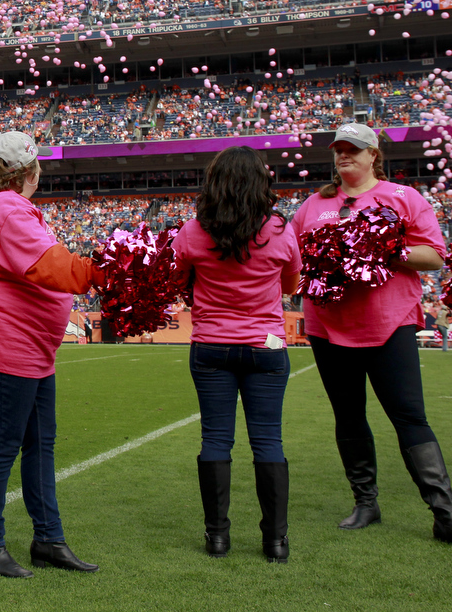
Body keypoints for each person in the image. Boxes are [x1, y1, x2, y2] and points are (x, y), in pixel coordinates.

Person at [0, 131, 103, 578]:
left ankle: (48, 539)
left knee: (39, 445)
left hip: (28, 345)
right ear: (31, 172)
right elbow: (52, 268)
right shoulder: (8, 207)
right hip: (7, 342)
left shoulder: (7, 207)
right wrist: (100, 268)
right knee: (5, 445)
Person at [291, 123, 451, 543]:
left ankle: (444, 510)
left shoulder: (404, 198)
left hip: (389, 324)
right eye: (339, 150)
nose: (344, 155)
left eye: (353, 149)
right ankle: (366, 502)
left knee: (409, 416)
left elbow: (434, 256)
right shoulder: (312, 205)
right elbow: (292, 261)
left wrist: (381, 246)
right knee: (348, 415)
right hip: (328, 327)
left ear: (373, 155)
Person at [172, 146, 300, 562]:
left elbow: (179, 280)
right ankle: (275, 541)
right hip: (267, 344)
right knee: (269, 440)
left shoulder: (193, 231)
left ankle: (218, 536)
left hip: (211, 344)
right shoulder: (280, 229)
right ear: (261, 184)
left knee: (215, 439)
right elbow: (291, 286)